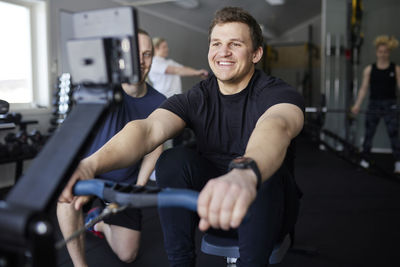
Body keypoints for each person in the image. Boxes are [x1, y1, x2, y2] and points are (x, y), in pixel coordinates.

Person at [59, 6, 305, 267]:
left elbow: (275, 127)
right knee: (171, 159)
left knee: (264, 175)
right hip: (212, 209)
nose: (223, 52)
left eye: (235, 44)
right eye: (217, 43)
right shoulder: (198, 97)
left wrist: (245, 173)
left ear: (256, 53)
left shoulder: (278, 94)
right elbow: (147, 130)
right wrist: (89, 165)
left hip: (268, 213)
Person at [57, 29, 166, 267]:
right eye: (134, 53)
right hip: (87, 172)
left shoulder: (159, 103)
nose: (140, 61)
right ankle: (79, 265)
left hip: (122, 182)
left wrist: (138, 187)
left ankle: (97, 221)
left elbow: (155, 148)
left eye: (147, 54)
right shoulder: (99, 90)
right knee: (65, 195)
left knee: (128, 254)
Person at [351, 35, 400, 173]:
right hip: (374, 105)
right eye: (380, 51)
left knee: (394, 134)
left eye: (385, 51)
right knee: (369, 134)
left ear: (388, 53)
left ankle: (398, 162)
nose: (383, 54)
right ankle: (365, 159)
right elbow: (363, 89)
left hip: (391, 105)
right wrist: (357, 105)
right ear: (377, 52)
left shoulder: (395, 69)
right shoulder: (369, 69)